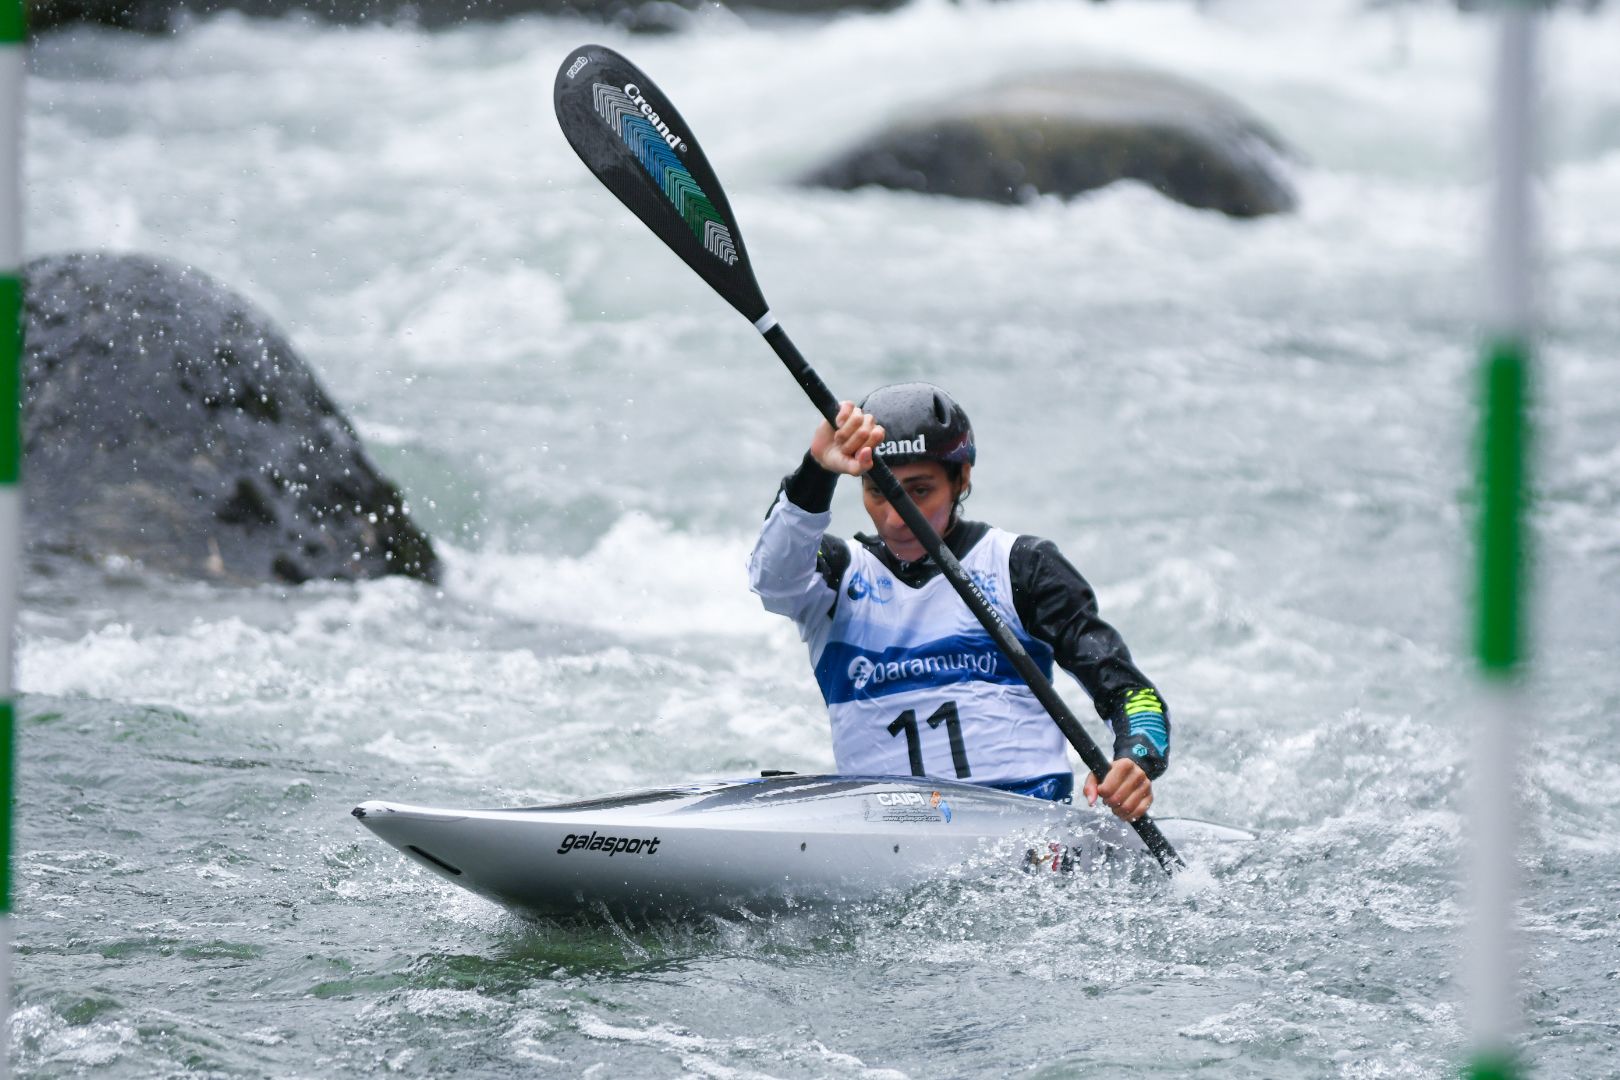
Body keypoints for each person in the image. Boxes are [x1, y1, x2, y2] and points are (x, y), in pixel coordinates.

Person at [747, 382, 1169, 822]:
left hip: (1026, 828)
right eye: (878, 491)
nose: (895, 517)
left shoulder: (1022, 567)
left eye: (920, 490)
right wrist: (817, 469)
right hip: (883, 830)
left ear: (961, 478)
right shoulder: (836, 575)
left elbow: (1132, 693)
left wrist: (1134, 761)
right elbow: (772, 579)